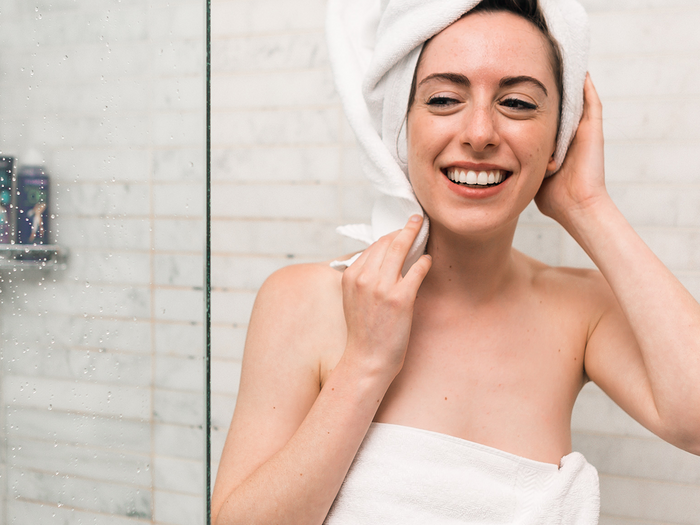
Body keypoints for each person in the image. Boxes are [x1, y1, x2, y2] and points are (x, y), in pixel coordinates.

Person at [211, 0, 700, 523]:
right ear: (400, 125)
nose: (480, 133)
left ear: (560, 135)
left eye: (518, 103)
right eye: (444, 98)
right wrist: (365, 364)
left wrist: (588, 207)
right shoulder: (304, 301)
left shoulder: (581, 310)